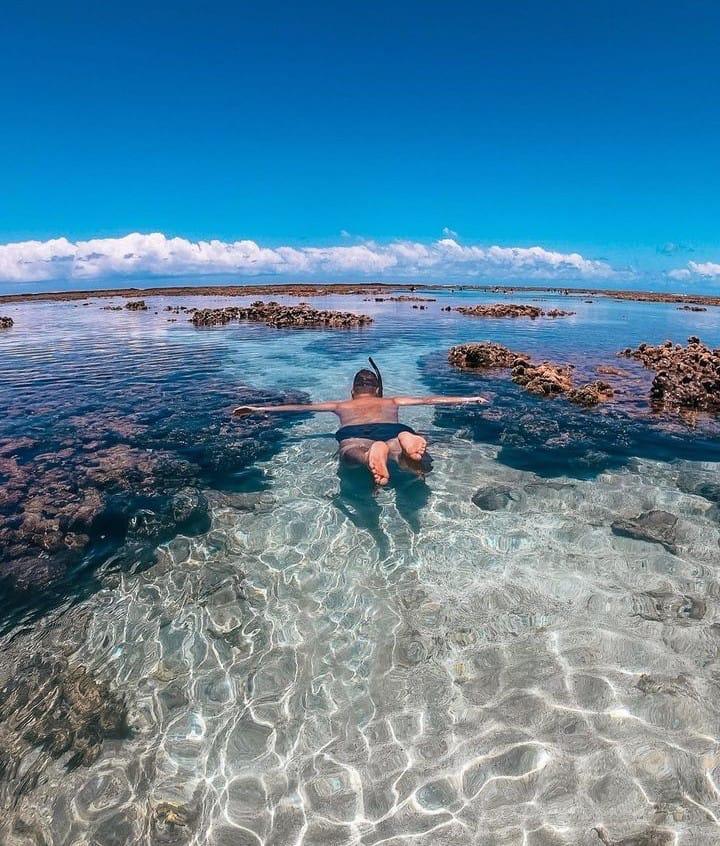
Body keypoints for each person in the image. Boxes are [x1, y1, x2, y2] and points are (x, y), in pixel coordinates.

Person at [233, 358, 487, 486]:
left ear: (353, 391)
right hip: (394, 430)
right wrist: (470, 397)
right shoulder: (391, 401)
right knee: (401, 455)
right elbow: (429, 400)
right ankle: (403, 445)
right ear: (377, 390)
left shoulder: (342, 405)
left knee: (350, 452)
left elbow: (298, 407)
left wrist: (256, 408)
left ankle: (368, 457)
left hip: (354, 432)